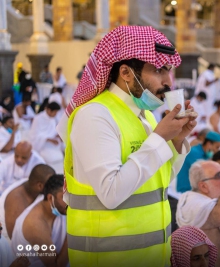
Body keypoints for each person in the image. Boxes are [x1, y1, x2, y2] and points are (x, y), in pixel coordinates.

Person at [56, 26, 196, 266]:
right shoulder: (95, 115)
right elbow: (111, 193)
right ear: (126, 72)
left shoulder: (146, 117)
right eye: (159, 70)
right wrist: (159, 139)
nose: (168, 82)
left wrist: (176, 141)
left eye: (169, 71)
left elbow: (158, 180)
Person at [11, 174, 68, 267]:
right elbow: (55, 265)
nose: (70, 201)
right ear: (50, 198)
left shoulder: (56, 205)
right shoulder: (35, 224)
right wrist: (73, 232)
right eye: (65, 197)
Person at [0, 164, 54, 241]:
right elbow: (15, 238)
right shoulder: (16, 201)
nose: (52, 188)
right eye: (50, 186)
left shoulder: (32, 185)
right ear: (40, 186)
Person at [29, 102, 63, 173]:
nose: (56, 114)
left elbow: (52, 131)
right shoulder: (38, 118)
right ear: (49, 110)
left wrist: (57, 135)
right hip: (41, 145)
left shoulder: (52, 119)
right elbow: (34, 135)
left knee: (60, 156)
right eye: (55, 112)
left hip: (51, 144)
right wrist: (48, 139)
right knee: (51, 158)